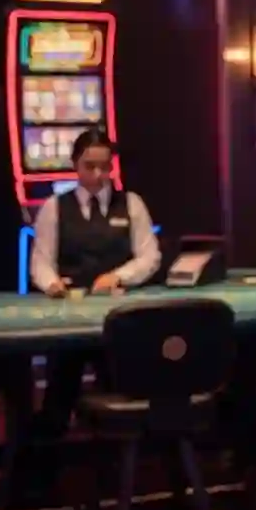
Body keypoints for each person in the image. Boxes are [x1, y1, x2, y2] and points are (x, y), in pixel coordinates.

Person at [29, 128, 161, 434]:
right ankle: (47, 456)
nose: (99, 174)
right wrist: (52, 284)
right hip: (69, 317)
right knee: (60, 392)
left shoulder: (131, 203)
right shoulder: (54, 208)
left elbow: (149, 256)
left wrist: (118, 275)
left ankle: (120, 456)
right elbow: (41, 260)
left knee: (121, 390)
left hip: (118, 317)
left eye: (105, 166)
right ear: (75, 164)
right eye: (90, 166)